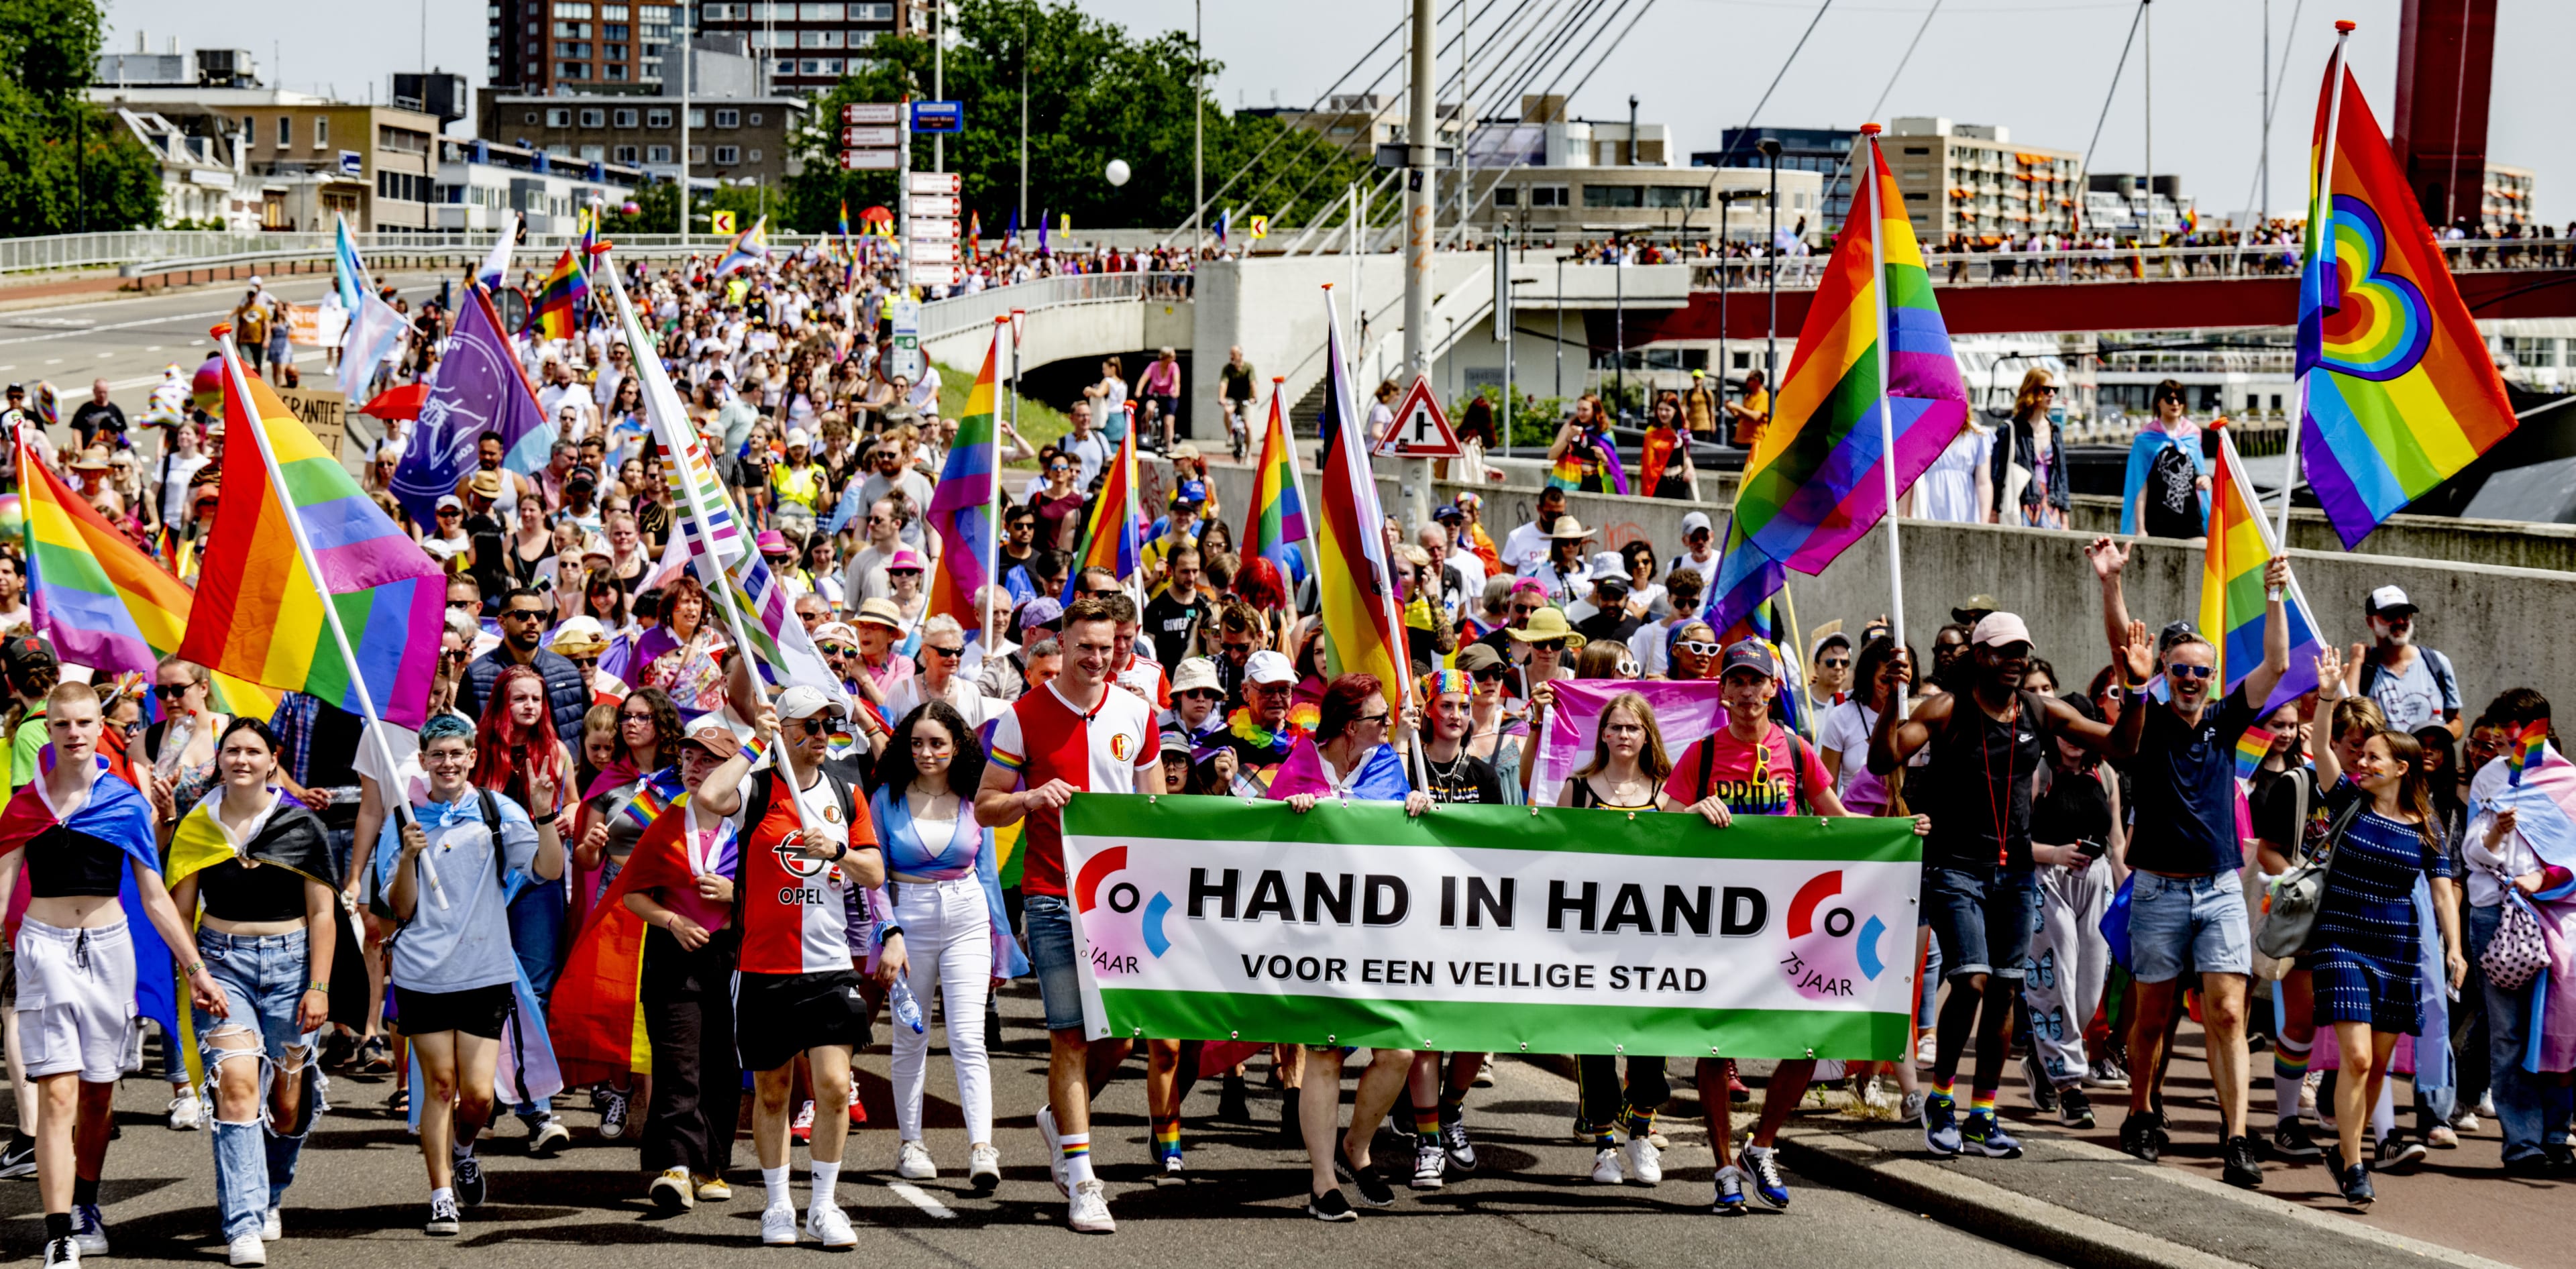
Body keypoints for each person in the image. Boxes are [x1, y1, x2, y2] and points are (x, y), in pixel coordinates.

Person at [1663, 642, 1928, 1213]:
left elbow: (1838, 819)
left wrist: (1900, 832)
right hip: (1720, 924)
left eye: (1757, 681)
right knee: (1715, 1047)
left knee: (1811, 1037)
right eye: (1737, 681)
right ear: (1724, 691)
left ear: (1773, 689)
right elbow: (1660, 818)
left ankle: (1760, 1147)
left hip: (1786, 926)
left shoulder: (1795, 749)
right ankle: (1721, 1170)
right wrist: (1693, 811)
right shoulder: (1703, 753)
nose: (1748, 692)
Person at [1868, 612, 2115, 1162]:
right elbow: (1882, 758)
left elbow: (2121, 744)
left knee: (2006, 988)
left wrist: (2140, 687)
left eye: (2022, 651)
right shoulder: (1945, 709)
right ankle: (1940, 1101)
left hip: (2017, 873)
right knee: (1973, 981)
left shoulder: (2038, 709)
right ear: (1980, 655)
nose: (2016, 660)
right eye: (2005, 651)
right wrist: (1894, 696)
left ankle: (1982, 1114)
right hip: (1957, 868)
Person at [2087, 536, 2289, 1187]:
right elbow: (2127, 652)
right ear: (2165, 673)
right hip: (2158, 892)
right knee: (2152, 1015)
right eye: (2182, 670)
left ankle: (2237, 1138)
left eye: (2203, 670)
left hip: (2220, 890)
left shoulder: (2224, 720)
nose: (2194, 679)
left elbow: (2279, 665)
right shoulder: (2145, 720)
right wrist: (2111, 583)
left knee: (2231, 1011)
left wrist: (2276, 595)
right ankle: (2142, 1112)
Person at [0, 685, 220, 1267]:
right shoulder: (24, 805)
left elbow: (155, 897)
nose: (74, 733)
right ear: (46, 730)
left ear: (103, 727)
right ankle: (57, 1233)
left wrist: (196, 971)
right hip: (44, 951)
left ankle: (86, 1204)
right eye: (62, 724)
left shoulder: (124, 803)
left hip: (108, 949)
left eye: (84, 723)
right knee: (58, 1095)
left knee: (98, 1095)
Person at [974, 594, 1169, 1234]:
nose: (1095, 658)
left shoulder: (1138, 714)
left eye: (1106, 646)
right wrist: (1030, 797)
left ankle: (1058, 1120)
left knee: (1122, 1033)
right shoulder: (1022, 716)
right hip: (1052, 894)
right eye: (1083, 646)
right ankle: (1083, 1180)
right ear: (1061, 644)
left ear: (1121, 645)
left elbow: (1156, 809)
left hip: (1123, 901)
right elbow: (985, 806)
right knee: (1067, 1035)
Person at [686, 686, 881, 1248]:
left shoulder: (846, 794)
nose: (822, 737)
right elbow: (711, 796)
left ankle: (824, 1206)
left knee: (833, 1087)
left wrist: (838, 852)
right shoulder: (759, 786)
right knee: (772, 1092)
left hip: (828, 966)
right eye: (811, 726)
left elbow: (873, 871)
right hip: (764, 966)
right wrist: (756, 740)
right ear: (787, 728)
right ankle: (777, 1205)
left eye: (829, 727)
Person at [164, 718, 350, 1267]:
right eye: (232, 751)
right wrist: (195, 971)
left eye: (254, 751)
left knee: (287, 1105)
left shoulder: (302, 826)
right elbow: (178, 912)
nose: (241, 759)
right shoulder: (197, 828)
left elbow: (323, 913)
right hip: (222, 965)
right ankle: (242, 1224)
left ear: (274, 761)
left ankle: (269, 1194)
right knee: (238, 1086)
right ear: (219, 760)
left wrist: (319, 987)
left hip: (293, 968)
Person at [373, 713, 566, 1237]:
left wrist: (545, 815)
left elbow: (549, 871)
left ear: (472, 757)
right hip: (423, 972)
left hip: (484, 969)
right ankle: (440, 1195)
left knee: (479, 1095)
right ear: (423, 760)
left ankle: (463, 1149)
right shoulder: (403, 822)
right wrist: (410, 858)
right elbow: (399, 910)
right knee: (439, 1085)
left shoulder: (496, 811)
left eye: (457, 753)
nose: (448, 763)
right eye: (438, 755)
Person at [1274, 675, 1430, 1220]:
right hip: (1315, 932)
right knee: (1324, 1053)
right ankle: (1323, 1182)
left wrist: (1416, 804)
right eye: (1378, 719)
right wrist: (1285, 813)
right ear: (1349, 726)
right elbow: (1259, 844)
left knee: (1398, 1052)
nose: (1387, 727)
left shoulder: (1388, 764)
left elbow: (1402, 841)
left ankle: (1356, 1147)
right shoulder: (1298, 764)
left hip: (1379, 934)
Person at [2302, 726, 2465, 1207]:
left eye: (2375, 758)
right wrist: (2329, 700)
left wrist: (2454, 948)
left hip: (2397, 951)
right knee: (2357, 1059)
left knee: (2376, 1070)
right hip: (2341, 942)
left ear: (2401, 768)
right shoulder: (2347, 801)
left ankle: (2342, 1153)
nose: (2364, 764)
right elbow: (2325, 751)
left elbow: (2442, 893)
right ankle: (2355, 1164)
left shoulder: (2427, 824)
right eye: (2363, 756)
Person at [874, 700, 1027, 1190]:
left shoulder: (973, 799)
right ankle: (911, 1142)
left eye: (937, 743)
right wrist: (887, 935)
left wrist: (1001, 943)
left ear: (957, 745)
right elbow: (873, 878)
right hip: (908, 921)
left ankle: (982, 1146)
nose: (926, 752)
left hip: (967, 917)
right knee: (911, 1038)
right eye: (916, 742)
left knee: (968, 1038)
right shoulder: (885, 799)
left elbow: (987, 877)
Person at [609, 713, 747, 1212]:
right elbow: (633, 896)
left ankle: (711, 1165)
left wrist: (737, 895)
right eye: (688, 756)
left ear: (733, 768)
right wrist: (670, 920)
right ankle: (675, 1166)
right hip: (673, 957)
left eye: (708, 759)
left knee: (721, 1064)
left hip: (730, 960)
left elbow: (773, 896)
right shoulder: (664, 821)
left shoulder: (748, 830)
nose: (694, 766)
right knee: (678, 1063)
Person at [1558, 690, 1676, 1187]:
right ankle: (1604, 1144)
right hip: (1592, 936)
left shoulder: (1668, 793)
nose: (1624, 736)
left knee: (1652, 1044)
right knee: (1595, 1044)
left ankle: (1641, 1132)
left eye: (1633, 728)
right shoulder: (1578, 787)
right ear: (1602, 734)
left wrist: (1708, 812)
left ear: (1647, 734)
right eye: (1615, 727)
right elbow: (1552, 854)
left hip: (1651, 936)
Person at [2459, 687, 2576, 1177]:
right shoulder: (2490, 777)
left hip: (2559, 915)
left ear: (2543, 728)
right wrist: (2495, 835)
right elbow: (2470, 854)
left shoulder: (2569, 781)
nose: (2510, 741)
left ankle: (2555, 1135)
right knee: (2507, 1033)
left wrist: (2545, 879)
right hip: (2496, 914)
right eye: (2504, 734)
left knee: (2559, 1030)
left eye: (2518, 732)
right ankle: (2522, 1142)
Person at [2020, 692, 2125, 1129]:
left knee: (2085, 997)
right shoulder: (2037, 771)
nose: (2074, 739)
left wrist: (2127, 897)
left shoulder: (2106, 774)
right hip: (2047, 881)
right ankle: (2070, 1090)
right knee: (2055, 983)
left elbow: (2117, 841)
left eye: (2082, 728)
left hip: (2096, 884)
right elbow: (2013, 841)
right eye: (2066, 729)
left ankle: (2041, 1059)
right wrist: (2055, 853)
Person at [459, 587, 590, 752]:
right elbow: (463, 736)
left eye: (540, 616)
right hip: (499, 772)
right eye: (523, 615)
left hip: (561, 771)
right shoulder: (477, 674)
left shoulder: (567, 671)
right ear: (502, 622)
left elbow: (587, 728)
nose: (533, 622)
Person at [2346, 586, 2461, 736]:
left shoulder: (2437, 663)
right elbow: (2344, 717)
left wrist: (2440, 737)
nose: (2400, 621)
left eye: (2405, 615)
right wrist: (2355, 662)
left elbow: (2457, 721)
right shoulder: (2364, 668)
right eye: (2390, 616)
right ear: (2370, 622)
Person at [1993, 368, 2070, 529]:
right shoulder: (2010, 429)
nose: (2052, 394)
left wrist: (2065, 518)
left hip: (2051, 505)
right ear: (2031, 390)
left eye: (2054, 390)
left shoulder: (2054, 430)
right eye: (2046, 389)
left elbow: (2061, 476)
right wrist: (1994, 511)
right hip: (2020, 504)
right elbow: (1998, 475)